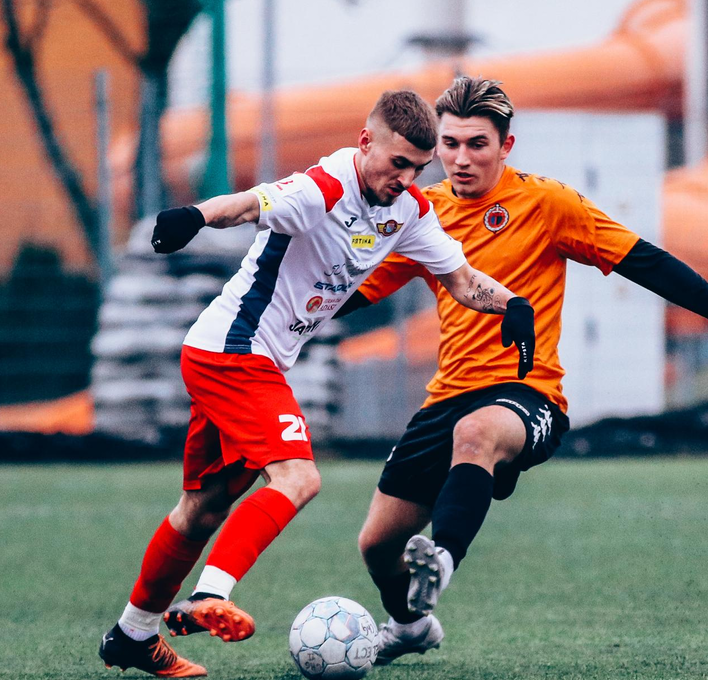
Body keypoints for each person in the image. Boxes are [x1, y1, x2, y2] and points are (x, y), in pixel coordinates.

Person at [334, 76, 708, 664]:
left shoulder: (548, 204)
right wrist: (278, 319)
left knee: (475, 433)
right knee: (377, 546)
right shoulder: (424, 214)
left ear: (506, 146)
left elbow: (644, 260)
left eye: (477, 144)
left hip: (527, 394)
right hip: (446, 395)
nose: (460, 158)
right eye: (449, 144)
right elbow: (354, 291)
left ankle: (442, 560)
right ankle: (410, 627)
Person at [98, 89, 537, 677]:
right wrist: (195, 217)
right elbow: (247, 204)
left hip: (241, 358)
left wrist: (513, 306)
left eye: (417, 168)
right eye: (397, 163)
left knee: (201, 509)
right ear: (365, 142)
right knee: (299, 476)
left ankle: (132, 635)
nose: (405, 179)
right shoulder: (323, 188)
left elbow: (460, 279)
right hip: (234, 351)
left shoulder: (407, 210)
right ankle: (209, 595)